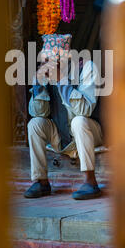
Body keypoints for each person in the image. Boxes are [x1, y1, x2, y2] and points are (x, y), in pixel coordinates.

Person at [24, 53, 103, 200]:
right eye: (46, 60)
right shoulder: (47, 75)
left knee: (78, 121)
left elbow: (84, 110)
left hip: (89, 133)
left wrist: (62, 81)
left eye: (54, 57)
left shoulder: (86, 67)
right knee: (35, 123)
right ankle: (41, 181)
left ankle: (90, 181)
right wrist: (38, 83)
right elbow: (38, 112)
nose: (49, 63)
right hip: (62, 136)